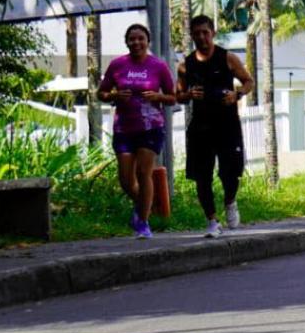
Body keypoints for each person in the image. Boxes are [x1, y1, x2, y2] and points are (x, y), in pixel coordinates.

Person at [176, 15, 253, 238]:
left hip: (227, 124)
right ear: (192, 36)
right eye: (197, 33)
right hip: (200, 126)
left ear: (213, 33)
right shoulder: (186, 65)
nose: (201, 37)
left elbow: (248, 81)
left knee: (230, 173)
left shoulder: (227, 58)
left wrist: (236, 94)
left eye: (205, 32)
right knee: (202, 176)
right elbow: (177, 95)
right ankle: (212, 220)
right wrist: (188, 94)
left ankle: (230, 201)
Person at [97, 23, 176, 239]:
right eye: (132, 39)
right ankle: (144, 206)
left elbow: (173, 97)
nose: (136, 42)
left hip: (151, 127)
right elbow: (100, 93)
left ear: (147, 41)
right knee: (125, 180)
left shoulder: (158, 66)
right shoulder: (117, 65)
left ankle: (143, 222)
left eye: (141, 38)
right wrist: (114, 96)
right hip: (124, 128)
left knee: (144, 173)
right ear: (127, 42)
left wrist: (158, 97)